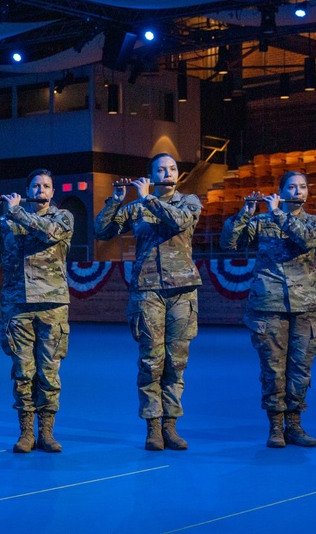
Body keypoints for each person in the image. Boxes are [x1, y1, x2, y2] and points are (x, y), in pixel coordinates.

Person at [94, 153, 202, 451]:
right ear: (150, 174)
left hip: (182, 291)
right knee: (151, 361)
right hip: (147, 290)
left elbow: (178, 222)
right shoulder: (135, 207)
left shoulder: (189, 202)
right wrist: (115, 200)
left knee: (176, 362)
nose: (167, 174)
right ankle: (153, 427)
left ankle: (171, 425)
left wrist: (148, 199)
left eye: (172, 169)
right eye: (160, 170)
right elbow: (101, 231)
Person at [0, 169, 72, 453]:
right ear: (27, 189)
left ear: (52, 192)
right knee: (23, 371)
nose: (40, 190)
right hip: (17, 306)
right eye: (35, 186)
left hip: (52, 306)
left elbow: (48, 233)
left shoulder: (63, 218)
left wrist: (15, 212)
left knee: (49, 371)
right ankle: (26, 432)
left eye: (46, 186)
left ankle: (47, 433)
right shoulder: (7, 220)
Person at [220, 171, 316, 448]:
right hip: (269, 305)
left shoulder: (314, 222)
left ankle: (294, 424)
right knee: (273, 369)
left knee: (300, 369)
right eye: (292, 187)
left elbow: (306, 240)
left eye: (303, 187)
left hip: (306, 306)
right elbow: (229, 243)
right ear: (280, 191)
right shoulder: (261, 222)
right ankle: (276, 427)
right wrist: (245, 212)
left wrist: (278, 213)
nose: (298, 191)